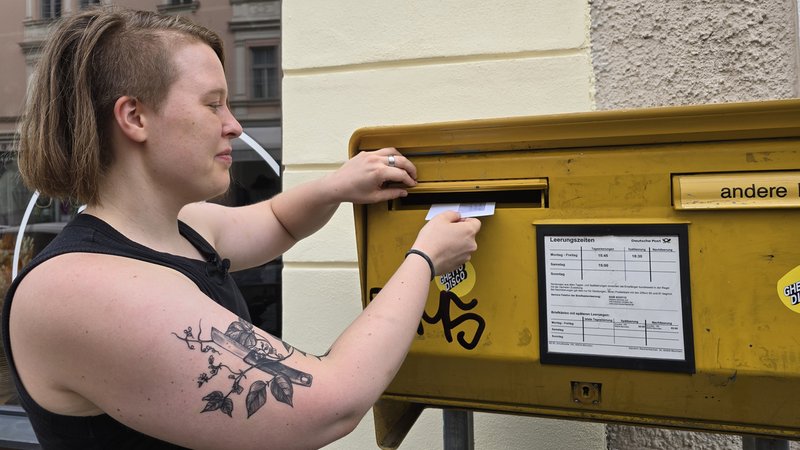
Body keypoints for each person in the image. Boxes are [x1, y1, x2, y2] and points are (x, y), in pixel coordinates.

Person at [2, 6, 480, 449]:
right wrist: (425, 259)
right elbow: (331, 405)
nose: (233, 124)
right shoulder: (81, 288)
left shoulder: (180, 225)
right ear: (135, 117)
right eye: (213, 104)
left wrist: (337, 186)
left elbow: (274, 221)